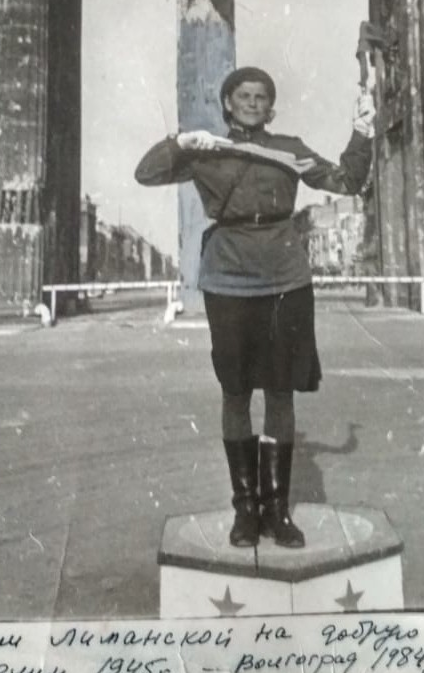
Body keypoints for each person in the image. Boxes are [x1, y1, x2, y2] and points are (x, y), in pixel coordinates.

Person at [135, 67, 374, 549]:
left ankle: (277, 512)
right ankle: (245, 511)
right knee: (236, 391)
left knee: (281, 391)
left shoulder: (289, 148)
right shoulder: (208, 151)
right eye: (243, 95)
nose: (251, 102)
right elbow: (147, 173)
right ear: (227, 103)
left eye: (261, 96)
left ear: (271, 107)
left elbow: (347, 180)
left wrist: (362, 130)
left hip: (285, 277)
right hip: (228, 277)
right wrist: (180, 141)